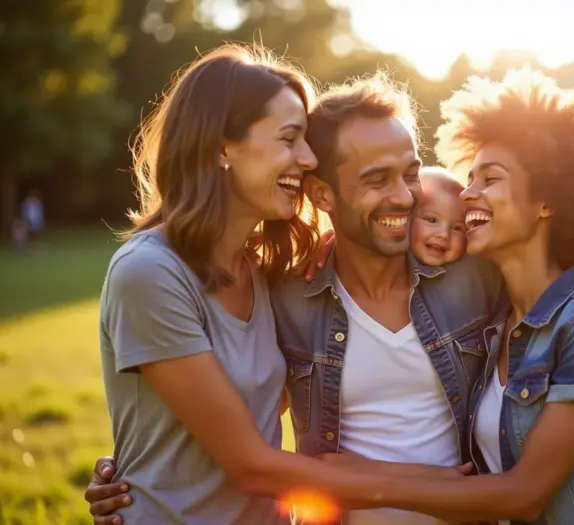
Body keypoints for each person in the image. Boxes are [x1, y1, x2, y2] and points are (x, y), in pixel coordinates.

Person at [86, 71, 574, 525]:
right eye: (377, 179)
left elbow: (552, 285)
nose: (406, 196)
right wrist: (134, 472)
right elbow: (243, 433)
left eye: (410, 174)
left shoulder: (466, 273)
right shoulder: (284, 291)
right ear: (323, 193)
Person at [91, 43, 476, 525]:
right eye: (290, 138)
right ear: (221, 147)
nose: (308, 157)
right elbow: (251, 465)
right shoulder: (150, 272)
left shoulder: (264, 274)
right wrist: (426, 484)